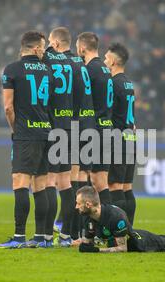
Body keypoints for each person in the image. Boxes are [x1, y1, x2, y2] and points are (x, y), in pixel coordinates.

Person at [0, 31, 52, 248]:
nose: (44, 51)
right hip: (46, 133)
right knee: (40, 185)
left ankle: (18, 238)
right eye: (43, 47)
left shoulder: (12, 70)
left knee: (20, 182)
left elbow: (8, 107)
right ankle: (40, 238)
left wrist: (15, 129)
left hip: (26, 134)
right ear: (36, 48)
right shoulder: (48, 71)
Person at [75, 186, 165, 253]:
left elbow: (122, 248)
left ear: (88, 205)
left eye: (78, 203)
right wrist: (83, 245)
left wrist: (98, 251)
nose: (76, 207)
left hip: (141, 243)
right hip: (134, 237)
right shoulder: (89, 219)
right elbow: (88, 245)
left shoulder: (116, 217)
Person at [40, 27, 76, 247]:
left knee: (51, 181)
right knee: (66, 182)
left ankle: (45, 234)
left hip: (53, 126)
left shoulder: (48, 57)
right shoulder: (72, 63)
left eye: (50, 42)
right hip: (69, 125)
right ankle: (66, 236)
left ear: (55, 43)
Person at [63, 31, 97, 243]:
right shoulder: (97, 67)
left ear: (82, 48)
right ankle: (84, 232)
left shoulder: (82, 67)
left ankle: (72, 232)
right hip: (91, 125)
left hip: (78, 125)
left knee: (72, 179)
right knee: (85, 178)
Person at [76, 32, 113, 206]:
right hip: (107, 127)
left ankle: (80, 226)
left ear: (82, 48)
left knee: (82, 175)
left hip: (94, 127)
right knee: (100, 181)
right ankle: (106, 226)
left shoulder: (88, 70)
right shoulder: (106, 70)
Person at [103, 43, 137, 226]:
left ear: (114, 61)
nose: (104, 61)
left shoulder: (113, 83)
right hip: (130, 137)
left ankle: (121, 228)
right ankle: (129, 227)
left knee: (115, 186)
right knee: (126, 187)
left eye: (106, 58)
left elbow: (110, 112)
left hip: (118, 138)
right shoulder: (128, 83)